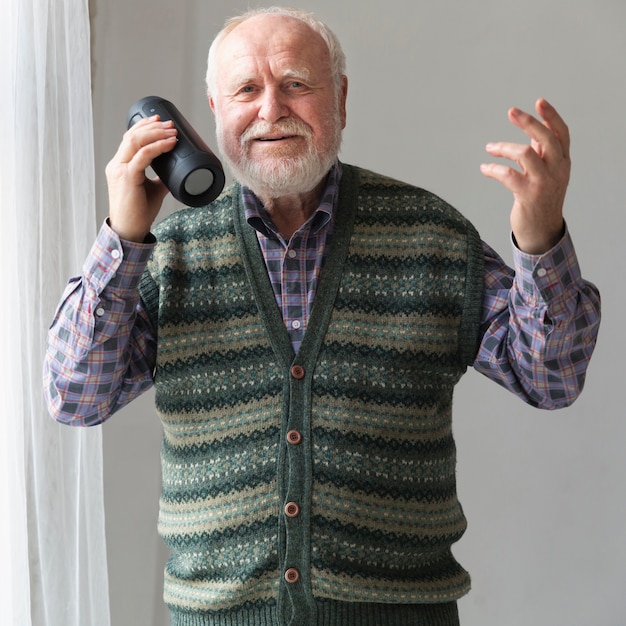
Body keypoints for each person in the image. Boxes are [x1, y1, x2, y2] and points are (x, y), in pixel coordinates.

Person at [44, 6, 601, 626]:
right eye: (246, 90)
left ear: (339, 95)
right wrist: (122, 238)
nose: (271, 108)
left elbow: (550, 378)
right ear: (213, 109)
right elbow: (74, 394)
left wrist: (542, 237)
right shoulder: (167, 257)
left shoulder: (430, 236)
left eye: (296, 84)